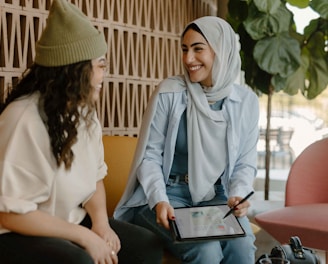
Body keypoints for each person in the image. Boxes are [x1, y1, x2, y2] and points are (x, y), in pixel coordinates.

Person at [0, 0, 162, 263]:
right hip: (16, 232)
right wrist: (84, 237)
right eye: (100, 65)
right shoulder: (22, 118)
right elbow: (9, 213)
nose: (103, 75)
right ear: (74, 70)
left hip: (69, 221)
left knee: (145, 246)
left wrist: (101, 224)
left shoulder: (85, 113)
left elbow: (95, 177)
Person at [114, 16, 259, 263]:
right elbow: (149, 156)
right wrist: (159, 200)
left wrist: (238, 195)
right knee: (206, 250)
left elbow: (245, 163)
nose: (188, 59)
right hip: (168, 195)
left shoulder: (246, 101)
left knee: (242, 247)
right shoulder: (170, 92)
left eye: (198, 49)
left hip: (218, 197)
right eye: (184, 49)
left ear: (221, 51)